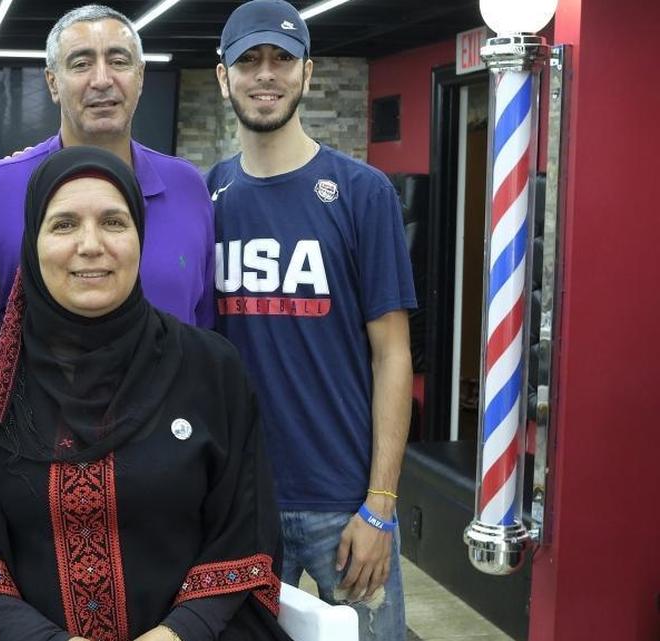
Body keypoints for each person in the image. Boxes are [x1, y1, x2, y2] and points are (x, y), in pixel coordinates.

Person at [0, 146, 291, 641]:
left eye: (114, 222)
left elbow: (245, 533)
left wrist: (176, 634)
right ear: (33, 242)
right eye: (64, 224)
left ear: (140, 238)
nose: (90, 245)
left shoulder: (211, 371)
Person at [207, 1, 416, 639]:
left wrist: (380, 506)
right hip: (241, 503)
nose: (265, 74)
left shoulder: (362, 192)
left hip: (344, 503)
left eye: (281, 59)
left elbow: (393, 355)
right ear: (224, 77)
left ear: (306, 73)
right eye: (249, 60)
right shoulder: (206, 196)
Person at [0, 4, 216, 382]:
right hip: (32, 438)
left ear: (140, 76)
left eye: (118, 61)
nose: (102, 79)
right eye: (81, 64)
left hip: (174, 433)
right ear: (52, 83)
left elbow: (202, 334)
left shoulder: (189, 188)